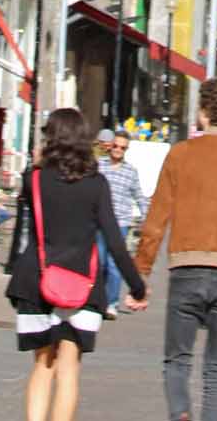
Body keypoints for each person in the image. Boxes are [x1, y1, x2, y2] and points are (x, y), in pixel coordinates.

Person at [133, 79, 217, 421]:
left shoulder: (180, 154)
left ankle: (180, 411)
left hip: (187, 268)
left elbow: (156, 219)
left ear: (204, 113)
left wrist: (142, 273)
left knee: (177, 360)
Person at [6, 107, 145, 421]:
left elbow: (25, 226)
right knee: (69, 370)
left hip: (37, 280)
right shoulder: (96, 184)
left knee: (43, 366)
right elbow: (114, 241)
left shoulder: (35, 179)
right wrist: (137, 286)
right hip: (82, 283)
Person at [94, 131, 144, 320]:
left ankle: (111, 303)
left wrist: (147, 217)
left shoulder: (130, 172)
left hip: (120, 223)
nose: (118, 150)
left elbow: (139, 195)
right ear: (110, 146)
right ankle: (97, 300)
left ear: (126, 150)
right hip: (99, 222)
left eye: (122, 147)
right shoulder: (99, 166)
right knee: (99, 262)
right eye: (115, 146)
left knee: (114, 265)